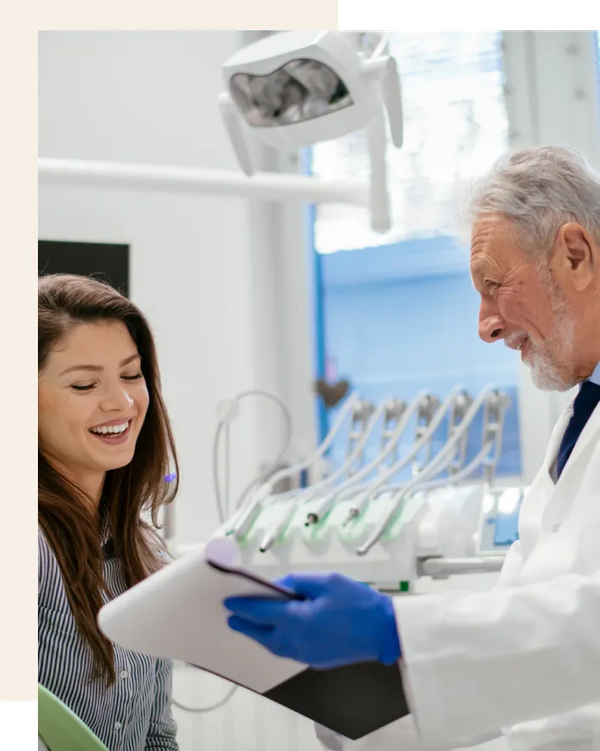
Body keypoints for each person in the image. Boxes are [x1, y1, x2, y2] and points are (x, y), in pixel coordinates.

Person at [223, 146, 600, 751]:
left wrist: (395, 631)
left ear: (574, 255)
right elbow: (521, 665)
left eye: (493, 286)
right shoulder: (582, 417)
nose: (486, 325)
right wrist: (364, 716)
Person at [38, 273, 180, 750]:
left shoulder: (149, 553)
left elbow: (157, 735)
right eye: (83, 384)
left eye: (131, 374)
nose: (119, 402)